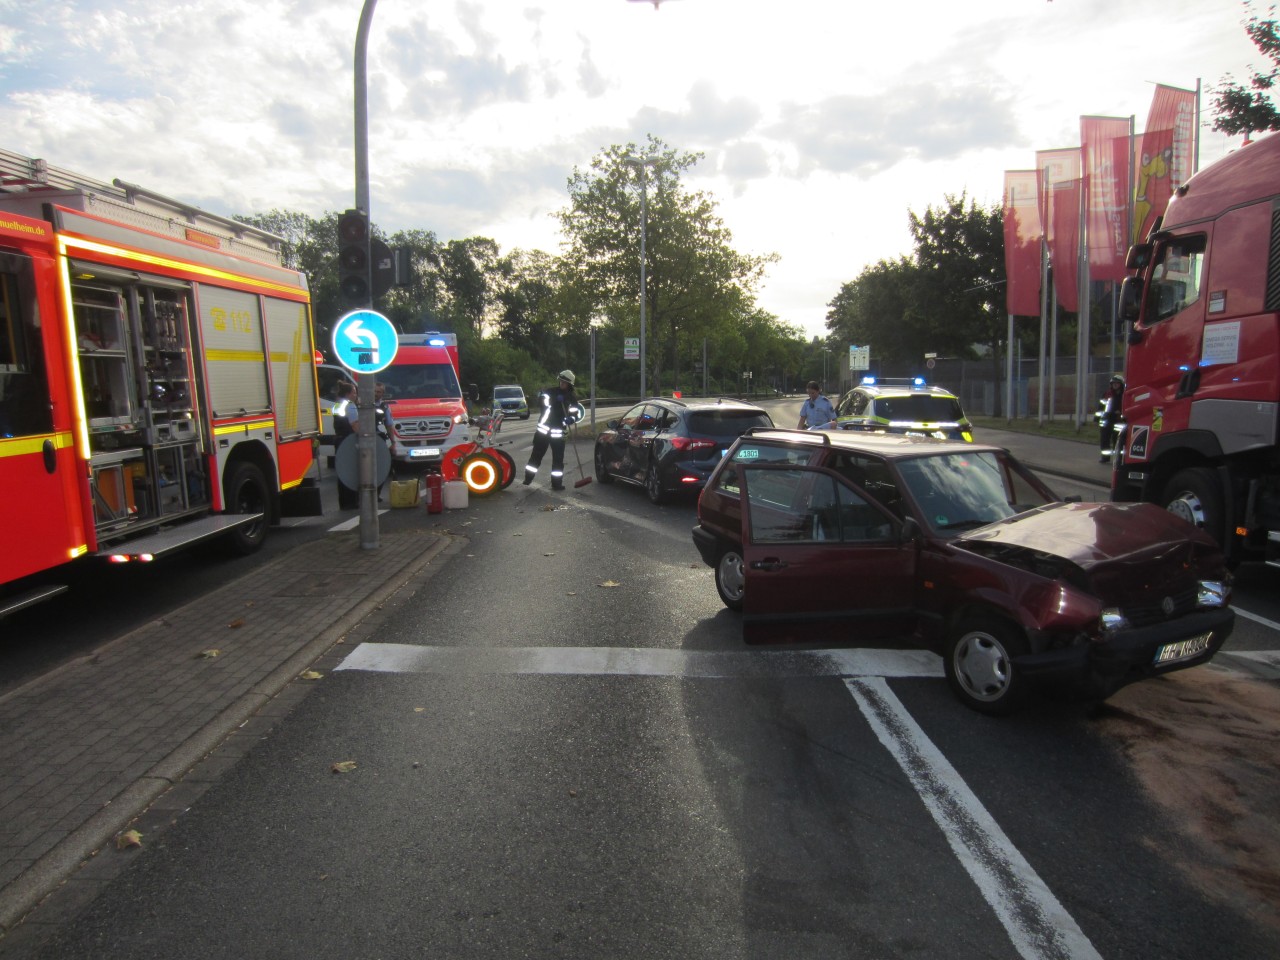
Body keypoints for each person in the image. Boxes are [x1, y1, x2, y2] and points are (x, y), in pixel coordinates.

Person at [523, 369, 585, 490]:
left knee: (558, 459)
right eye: (561, 381)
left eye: (564, 382)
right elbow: (541, 401)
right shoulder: (550, 392)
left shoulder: (571, 398)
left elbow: (575, 413)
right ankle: (528, 478)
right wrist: (553, 400)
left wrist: (571, 419)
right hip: (543, 431)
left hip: (558, 433)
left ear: (570, 384)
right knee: (536, 455)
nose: (562, 383)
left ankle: (556, 484)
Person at [1099, 375, 1125, 462]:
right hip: (1107, 420)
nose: (1115, 385)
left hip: (1119, 420)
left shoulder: (1125, 395)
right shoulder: (1107, 394)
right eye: (1113, 383)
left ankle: (1118, 458)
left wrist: (1121, 413)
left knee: (1117, 440)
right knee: (1104, 439)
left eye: (1117, 383)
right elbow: (1101, 406)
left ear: (1121, 384)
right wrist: (1098, 418)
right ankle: (1105, 457)